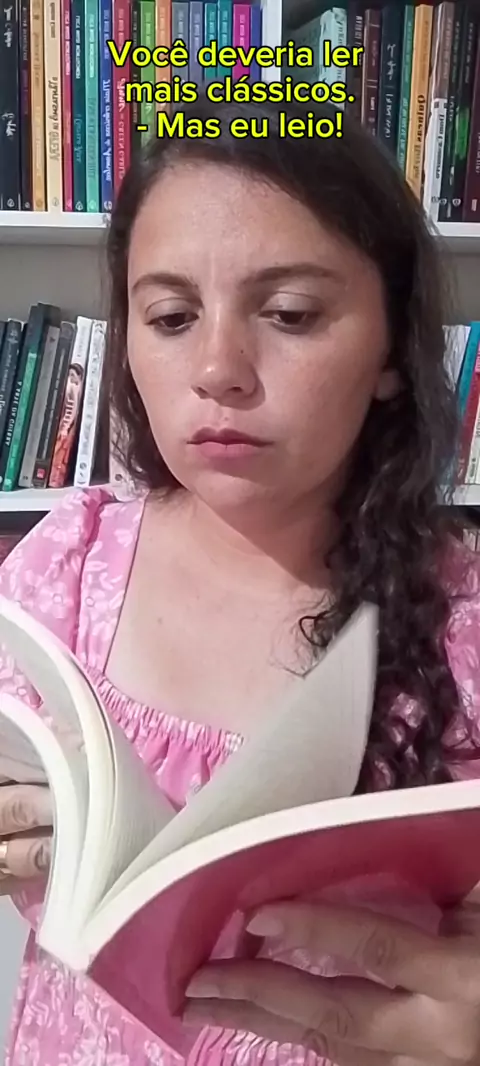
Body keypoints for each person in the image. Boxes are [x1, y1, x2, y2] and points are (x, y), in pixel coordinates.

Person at [0, 92, 480, 1066]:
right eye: (171, 316)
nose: (219, 368)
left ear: (392, 351)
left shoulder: (462, 624)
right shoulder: (68, 564)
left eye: (291, 314)